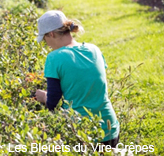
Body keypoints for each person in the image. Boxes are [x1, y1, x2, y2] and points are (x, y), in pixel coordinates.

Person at [35, 10, 120, 147]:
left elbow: (52, 102)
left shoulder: (54, 58)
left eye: (45, 39)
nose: (47, 44)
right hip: (110, 128)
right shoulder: (94, 49)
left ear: (51, 34)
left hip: (81, 132)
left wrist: (43, 97)